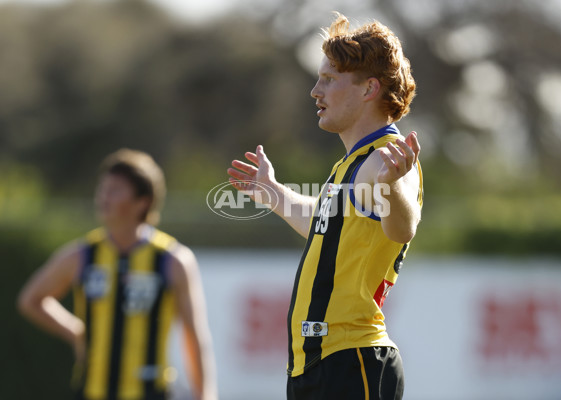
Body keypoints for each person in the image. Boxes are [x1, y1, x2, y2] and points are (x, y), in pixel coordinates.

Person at [227, 12, 423, 400]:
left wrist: (394, 188)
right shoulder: (353, 163)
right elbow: (322, 222)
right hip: (319, 363)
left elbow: (402, 228)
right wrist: (272, 191)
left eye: (329, 79)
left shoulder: (386, 159)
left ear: (369, 89)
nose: (316, 91)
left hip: (352, 359)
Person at [18, 149, 218, 400]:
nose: (103, 197)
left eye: (115, 190)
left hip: (150, 392)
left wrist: (206, 395)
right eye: (102, 189)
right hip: (93, 390)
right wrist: (74, 331)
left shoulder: (172, 259)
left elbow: (194, 333)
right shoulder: (82, 255)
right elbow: (31, 300)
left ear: (142, 201)